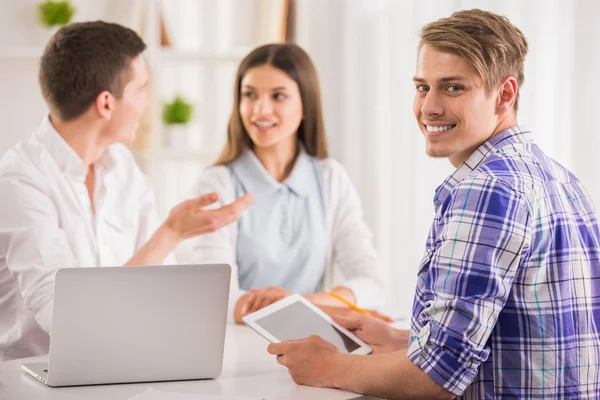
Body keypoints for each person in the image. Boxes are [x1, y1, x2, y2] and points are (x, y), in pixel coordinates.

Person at [266, 9, 600, 399]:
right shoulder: (559, 178)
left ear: (505, 94)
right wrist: (401, 339)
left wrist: (330, 366)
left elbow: (436, 379)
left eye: (453, 88)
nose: (428, 108)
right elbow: (527, 335)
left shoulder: (488, 189)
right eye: (423, 87)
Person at [0, 21, 253, 361]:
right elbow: (69, 323)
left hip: (118, 369)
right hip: (30, 381)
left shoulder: (122, 168)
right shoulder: (20, 179)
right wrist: (170, 234)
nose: (148, 102)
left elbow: (160, 293)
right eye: (141, 89)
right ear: (106, 104)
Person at [183, 43, 386, 324]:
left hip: (313, 341)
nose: (260, 109)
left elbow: (371, 284)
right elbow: (214, 297)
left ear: (306, 104)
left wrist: (296, 303)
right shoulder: (217, 183)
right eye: (250, 95)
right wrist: (328, 305)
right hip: (237, 345)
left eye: (278, 96)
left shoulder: (330, 178)